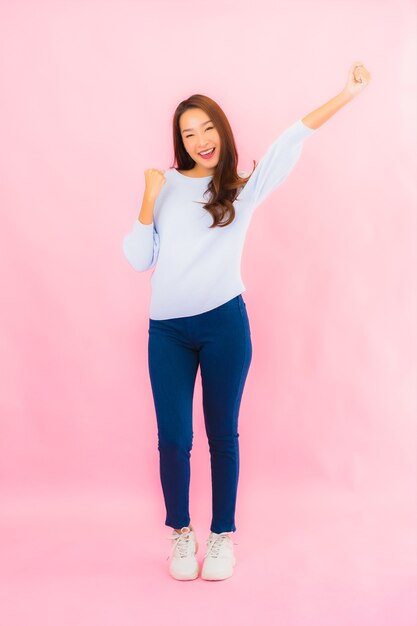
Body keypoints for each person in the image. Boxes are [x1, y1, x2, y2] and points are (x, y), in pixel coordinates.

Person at [122, 63, 371, 582]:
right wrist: (147, 201)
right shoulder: (163, 186)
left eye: (207, 128)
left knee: (222, 435)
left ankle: (222, 538)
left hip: (224, 326)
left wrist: (344, 94)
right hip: (167, 331)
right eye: (188, 133)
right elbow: (138, 258)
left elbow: (290, 139)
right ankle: (181, 534)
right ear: (180, 141)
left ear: (221, 129)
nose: (200, 140)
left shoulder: (241, 188)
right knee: (173, 437)